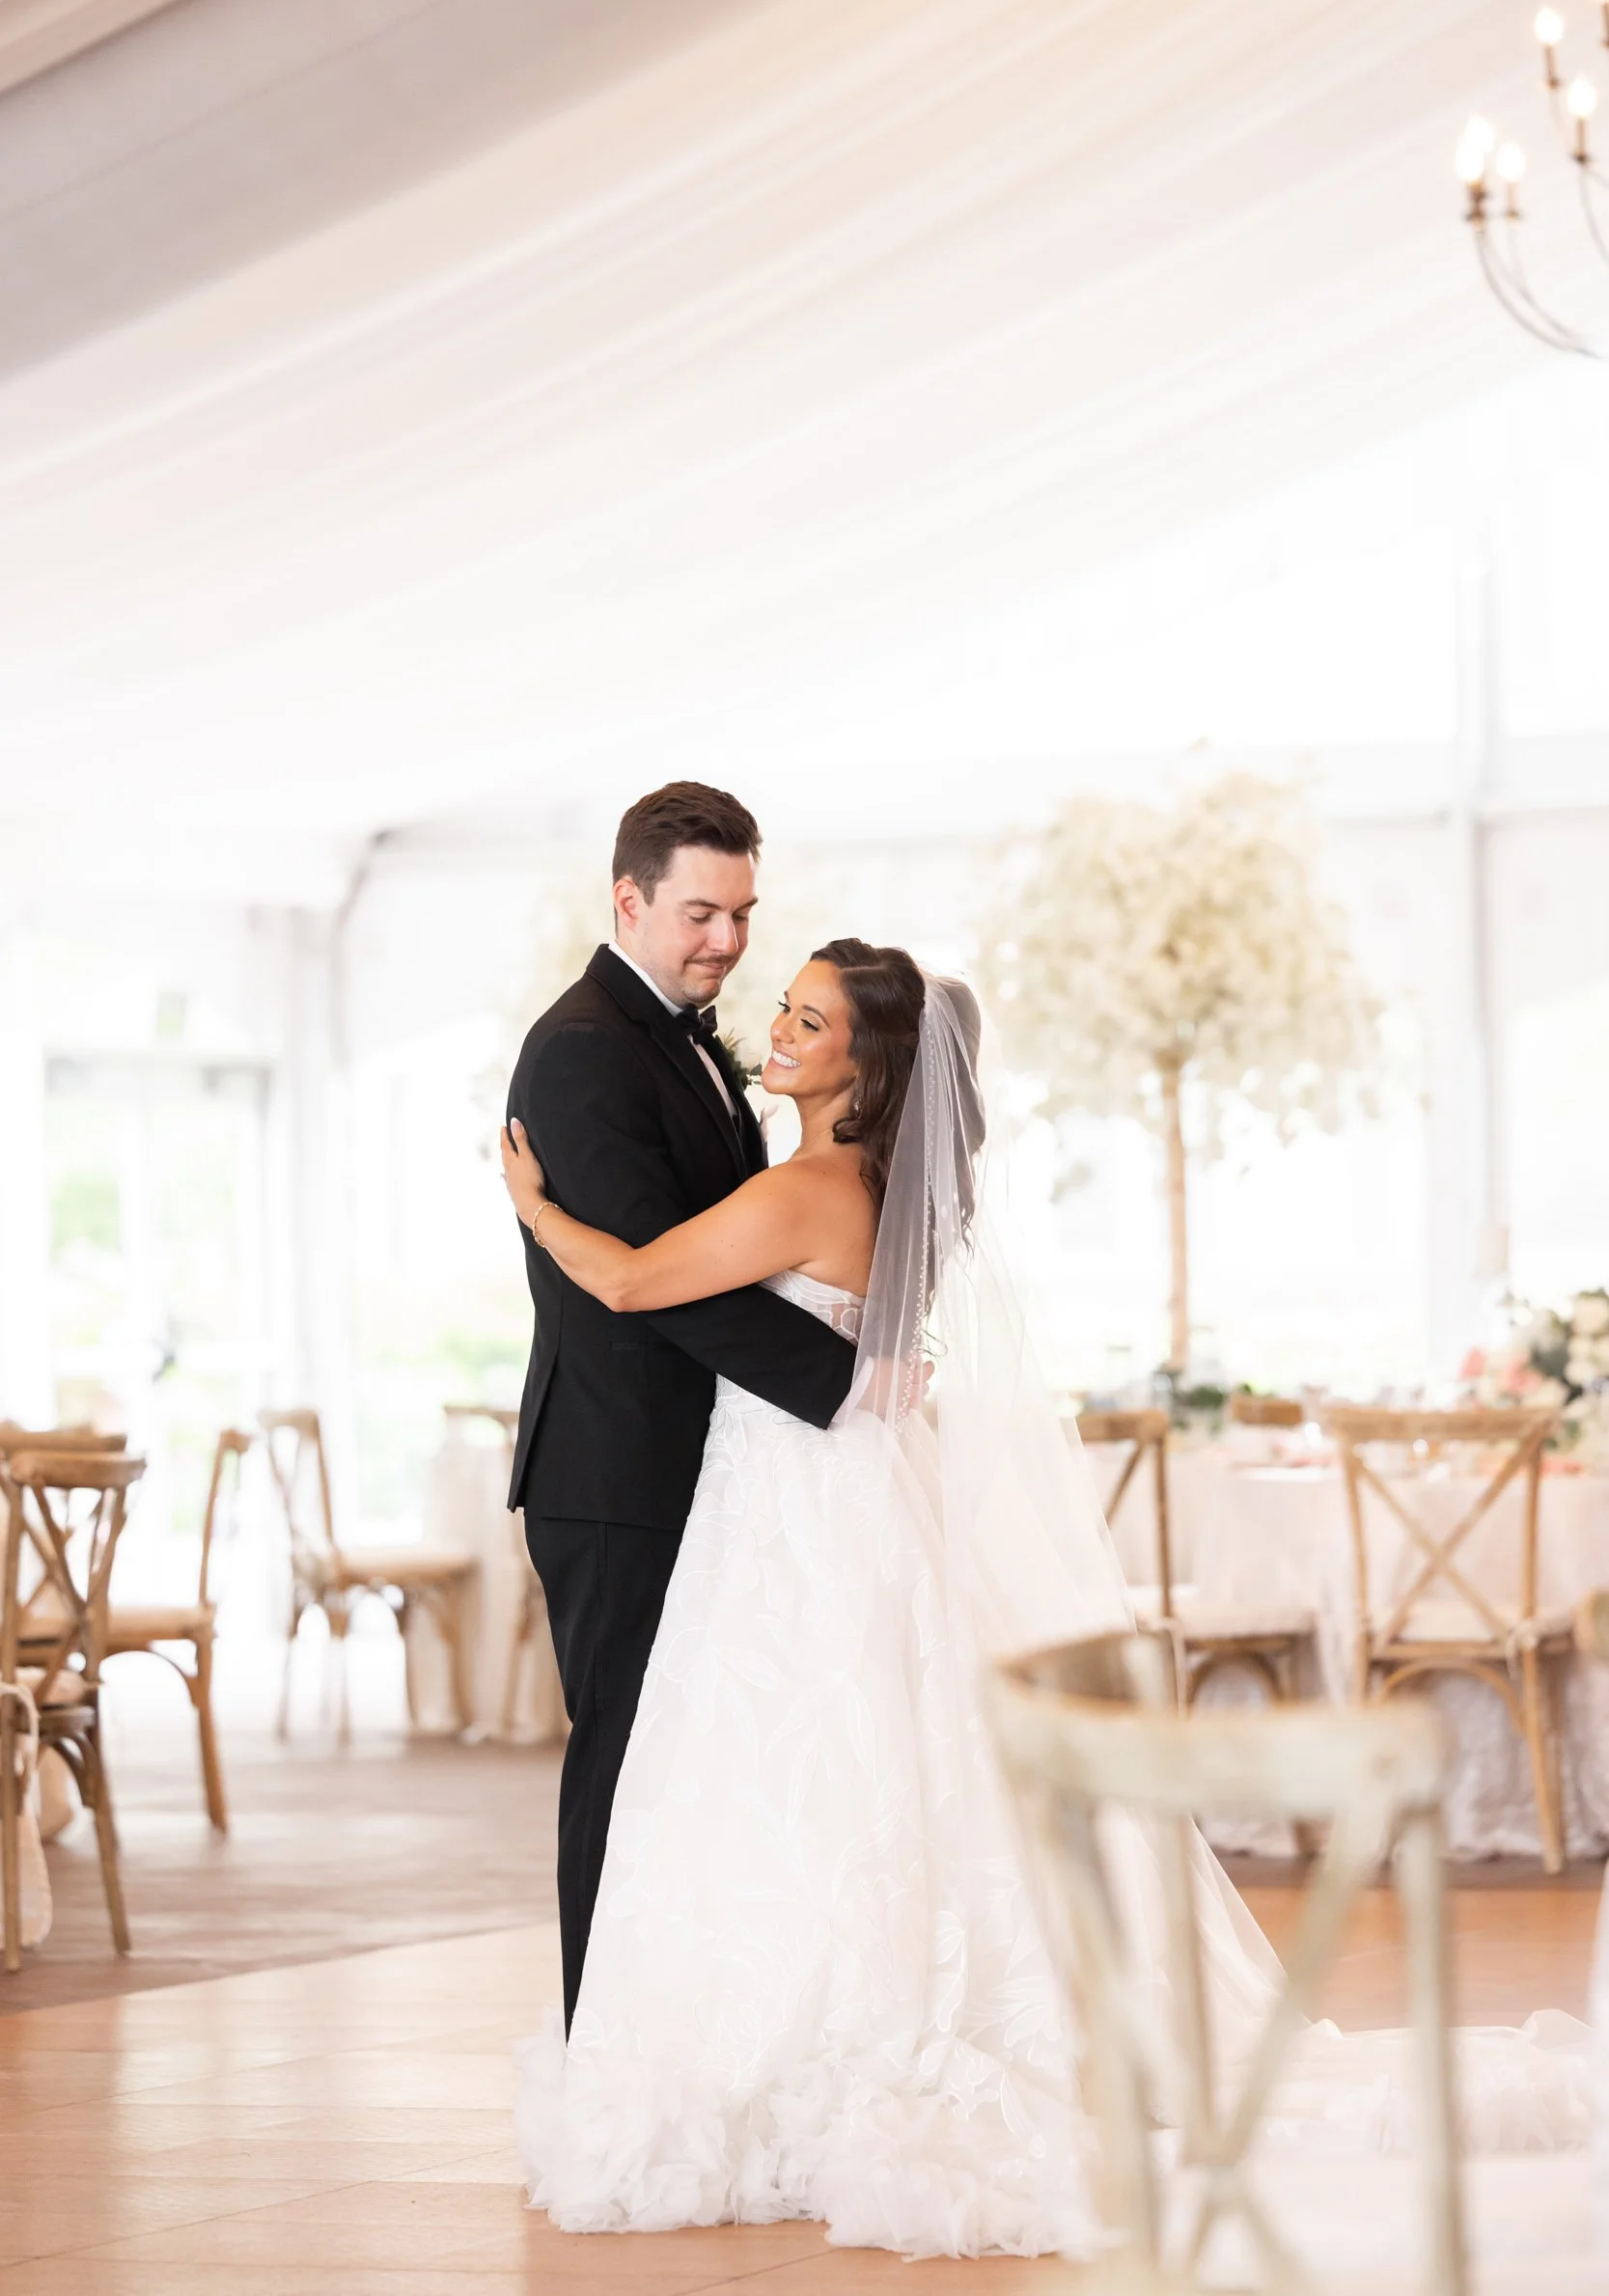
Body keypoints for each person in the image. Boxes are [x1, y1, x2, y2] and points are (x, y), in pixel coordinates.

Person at [501, 941, 1592, 2261]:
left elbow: (625, 1282)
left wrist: (533, 1204)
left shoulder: (803, 1190)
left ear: (869, 1061)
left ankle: (822, 2037)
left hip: (798, 1507)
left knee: (812, 1762)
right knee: (874, 1761)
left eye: (809, 1021)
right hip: (839, 1492)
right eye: (783, 1010)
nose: (776, 1033)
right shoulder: (873, 1184)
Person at [505, 784, 856, 2030]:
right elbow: (658, 1280)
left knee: (688, 1764)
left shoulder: (686, 1036)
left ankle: (678, 2036)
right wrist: (842, 1380)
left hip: (697, 1465)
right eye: (700, 912)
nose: (725, 939)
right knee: (621, 1761)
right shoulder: (586, 1047)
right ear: (628, 899)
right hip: (614, 1476)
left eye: (742, 913)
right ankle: (602, 2053)